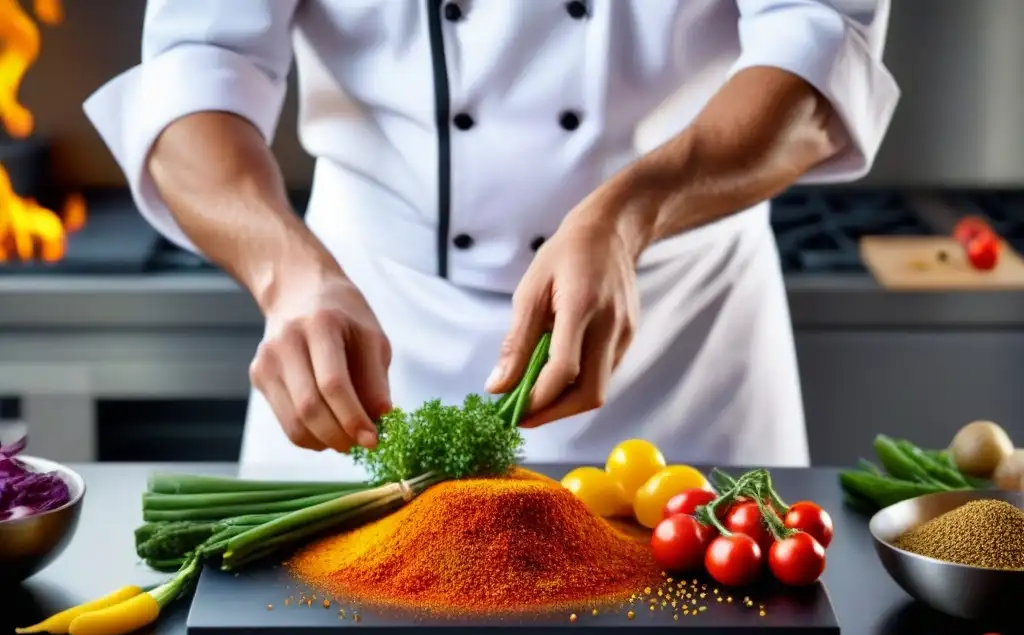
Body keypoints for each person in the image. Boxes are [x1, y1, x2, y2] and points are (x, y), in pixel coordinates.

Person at [84, 1, 898, 476]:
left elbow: (823, 44)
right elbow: (199, 63)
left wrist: (631, 211)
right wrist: (285, 274)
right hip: (370, 330)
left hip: (677, 347)